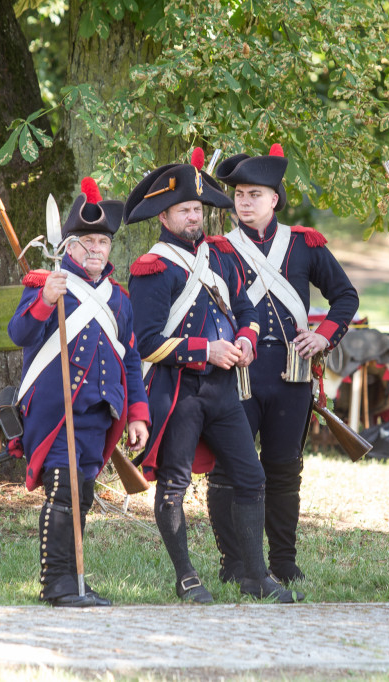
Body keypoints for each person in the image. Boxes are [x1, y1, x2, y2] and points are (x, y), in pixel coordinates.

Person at [126, 148, 301, 604]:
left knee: (251, 477)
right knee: (174, 484)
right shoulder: (153, 266)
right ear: (164, 215)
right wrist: (208, 349)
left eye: (197, 209)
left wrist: (245, 337)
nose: (193, 217)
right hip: (180, 392)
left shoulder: (218, 257)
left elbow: (245, 307)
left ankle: (255, 576)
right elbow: (146, 343)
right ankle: (185, 576)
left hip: (223, 391)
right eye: (184, 210)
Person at [206, 143, 359, 585]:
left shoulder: (304, 244)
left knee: (284, 469)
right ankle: (234, 563)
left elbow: (345, 297)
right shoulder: (220, 249)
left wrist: (323, 335)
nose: (245, 202)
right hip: (238, 370)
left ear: (275, 199)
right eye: (239, 195)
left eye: (255, 194)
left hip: (290, 373)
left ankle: (284, 562)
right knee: (228, 470)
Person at [7, 178, 150, 607]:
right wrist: (45, 301)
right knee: (63, 494)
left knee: (81, 495)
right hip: (55, 413)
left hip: (99, 416)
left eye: (102, 242)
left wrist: (138, 413)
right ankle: (57, 584)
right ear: (68, 246)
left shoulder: (119, 299)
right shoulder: (45, 283)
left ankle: (75, 580)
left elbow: (131, 359)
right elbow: (19, 333)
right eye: (86, 241)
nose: (95, 249)